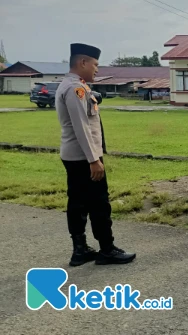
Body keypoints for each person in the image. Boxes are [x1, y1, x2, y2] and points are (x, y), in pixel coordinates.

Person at [56, 43, 136, 266]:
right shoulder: (75, 89)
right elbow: (82, 126)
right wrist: (94, 159)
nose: (97, 70)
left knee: (78, 202)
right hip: (84, 158)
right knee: (99, 203)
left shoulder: (75, 86)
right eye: (95, 64)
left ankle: (80, 250)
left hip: (75, 155)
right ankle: (107, 249)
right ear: (82, 62)